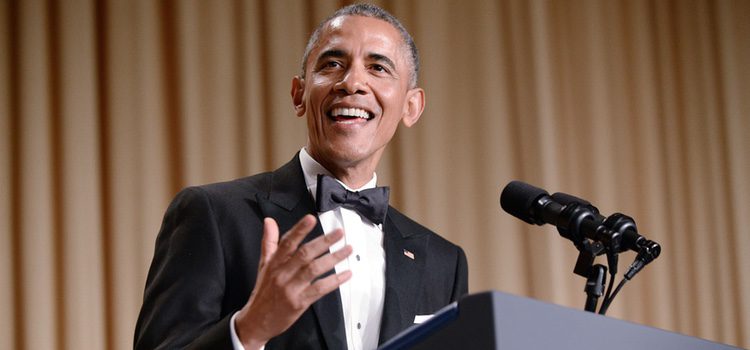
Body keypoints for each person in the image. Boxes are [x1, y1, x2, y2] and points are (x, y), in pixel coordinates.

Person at [134, 4, 468, 349]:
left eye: (378, 67)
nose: (352, 82)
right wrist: (247, 329)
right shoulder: (214, 214)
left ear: (411, 107)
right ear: (299, 94)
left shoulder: (444, 263)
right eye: (333, 64)